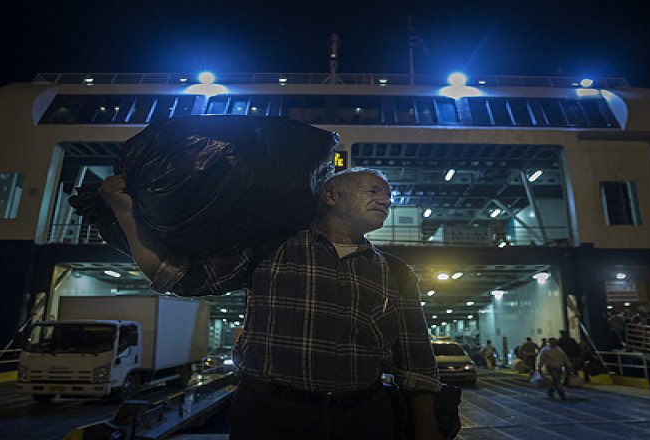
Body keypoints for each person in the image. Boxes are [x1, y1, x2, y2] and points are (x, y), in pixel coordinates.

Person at [99, 168, 444, 440]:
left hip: (365, 418)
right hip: (270, 416)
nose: (386, 200)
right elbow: (178, 277)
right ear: (330, 196)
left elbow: (415, 361)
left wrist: (426, 430)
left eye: (388, 195)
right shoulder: (273, 249)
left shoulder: (396, 272)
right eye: (373, 190)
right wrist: (125, 212)